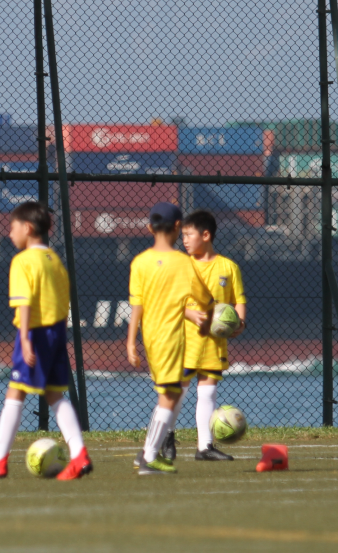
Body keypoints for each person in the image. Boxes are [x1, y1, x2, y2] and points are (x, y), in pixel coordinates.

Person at [0, 202, 92, 480]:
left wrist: (24, 338)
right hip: (57, 331)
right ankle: (80, 454)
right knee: (55, 394)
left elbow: (24, 303)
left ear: (28, 228)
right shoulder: (54, 260)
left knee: (16, 391)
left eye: (12, 227)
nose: (9, 233)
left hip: (34, 332)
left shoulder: (23, 261)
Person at [126, 202, 213, 475]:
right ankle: (148, 457)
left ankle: (148, 453)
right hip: (171, 339)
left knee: (171, 393)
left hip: (150, 338)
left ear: (150, 227)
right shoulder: (184, 263)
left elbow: (136, 306)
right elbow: (205, 299)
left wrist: (130, 342)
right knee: (170, 396)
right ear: (178, 227)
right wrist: (212, 319)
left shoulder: (139, 262)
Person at [178, 209, 247, 461]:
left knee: (207, 393)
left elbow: (238, 300)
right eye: (182, 235)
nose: (184, 240)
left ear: (206, 235)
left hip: (214, 343)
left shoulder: (228, 267)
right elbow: (170, 302)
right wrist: (190, 315)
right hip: (186, 341)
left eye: (188, 235)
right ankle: (165, 435)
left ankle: (204, 447)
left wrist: (240, 322)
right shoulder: (182, 266)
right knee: (177, 391)